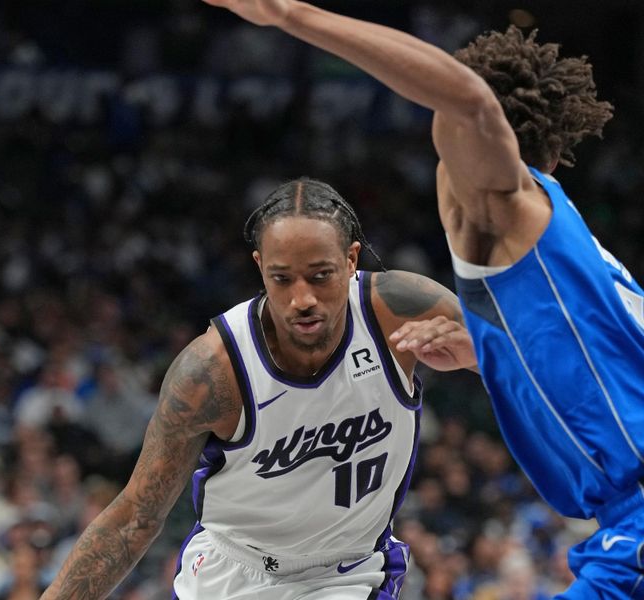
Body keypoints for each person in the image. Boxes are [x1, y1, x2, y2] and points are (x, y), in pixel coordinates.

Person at [201, 1, 644, 598]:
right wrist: (489, 358)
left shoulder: (500, 205)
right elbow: (595, 381)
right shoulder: (563, 252)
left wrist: (288, 14)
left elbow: (466, 100)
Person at [40, 177, 477, 599]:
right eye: (282, 278)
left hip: (347, 575)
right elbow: (136, 515)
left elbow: (537, 369)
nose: (301, 298)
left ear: (351, 260)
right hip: (230, 573)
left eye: (320, 275)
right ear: (259, 267)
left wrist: (481, 357)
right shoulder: (212, 370)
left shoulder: (398, 309)